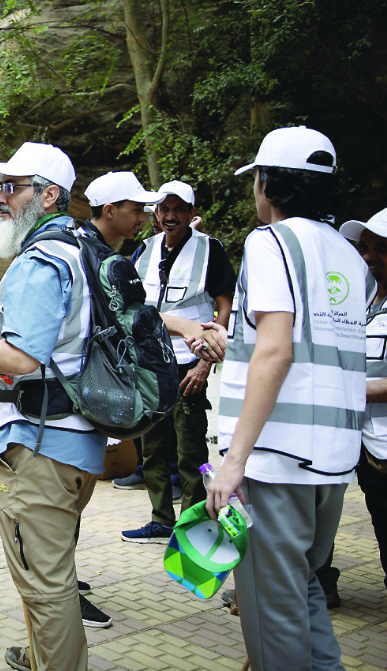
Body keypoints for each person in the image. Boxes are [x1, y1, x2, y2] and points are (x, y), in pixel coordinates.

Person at [0, 143, 221, 671]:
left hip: (37, 447)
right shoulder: (84, 248)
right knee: (48, 568)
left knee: (44, 582)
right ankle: (40, 654)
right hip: (77, 443)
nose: (1, 198)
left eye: (14, 186)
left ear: (49, 194)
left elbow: (21, 357)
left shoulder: (43, 259)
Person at [202, 127, 366, 671]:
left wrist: (233, 462)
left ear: (269, 183)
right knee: (303, 593)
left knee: (271, 620)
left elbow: (276, 353)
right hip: (332, 464)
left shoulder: (270, 242)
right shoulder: (348, 253)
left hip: (277, 463)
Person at [122, 180, 236, 544]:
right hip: (151, 363)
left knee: (190, 449)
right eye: (164, 209)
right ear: (155, 213)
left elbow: (225, 306)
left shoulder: (209, 249)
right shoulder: (144, 250)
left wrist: (207, 362)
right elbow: (133, 305)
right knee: (152, 446)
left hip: (191, 362)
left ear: (190, 212)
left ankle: (192, 523)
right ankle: (160, 519)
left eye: (178, 209)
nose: (170, 216)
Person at [334, 209, 387, 596]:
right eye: (364, 248)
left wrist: (345, 388)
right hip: (364, 445)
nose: (367, 256)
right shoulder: (364, 301)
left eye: (379, 248)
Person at [81, 171, 162, 247]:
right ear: (109, 211)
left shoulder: (90, 247)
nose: (144, 219)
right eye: (137, 210)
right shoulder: (80, 252)